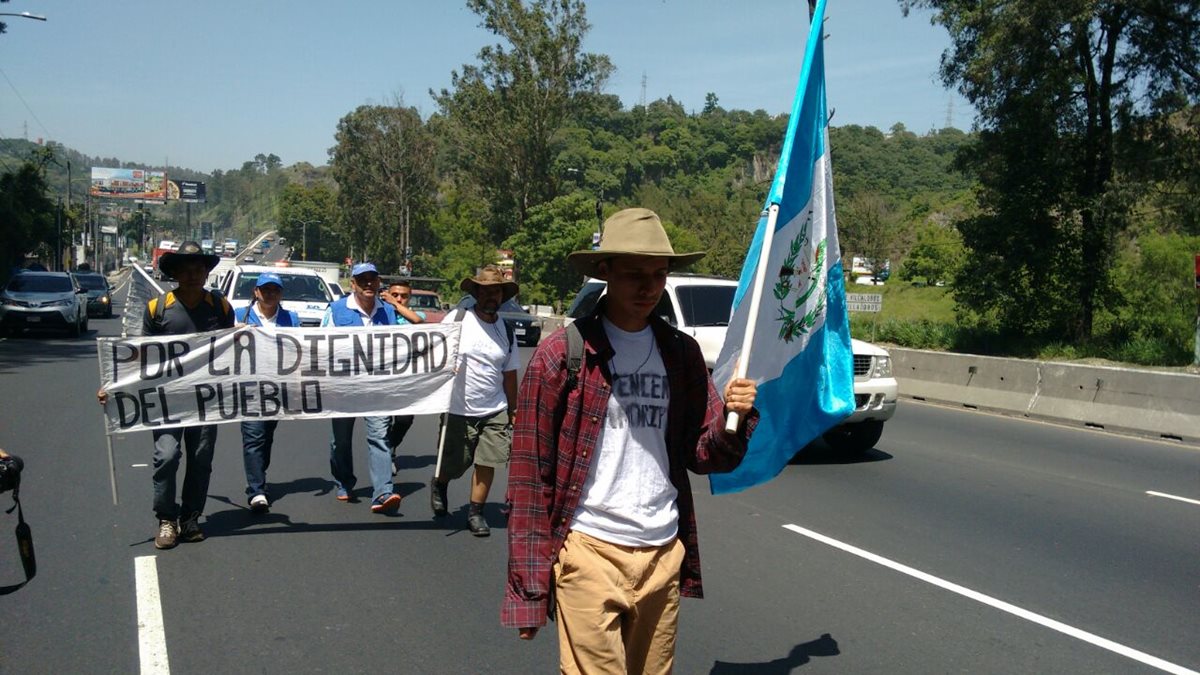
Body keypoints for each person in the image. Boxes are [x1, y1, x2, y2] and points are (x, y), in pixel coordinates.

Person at [502, 208, 759, 673]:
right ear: (605, 273)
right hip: (589, 549)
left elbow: (703, 455)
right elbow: (528, 475)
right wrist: (529, 590)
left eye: (658, 275)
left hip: (662, 551)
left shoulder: (681, 353)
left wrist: (735, 419)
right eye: (634, 275)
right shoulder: (563, 354)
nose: (648, 288)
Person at [96, 241, 234, 550]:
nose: (193, 275)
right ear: (174, 273)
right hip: (166, 400)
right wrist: (113, 387)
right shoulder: (157, 309)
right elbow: (140, 358)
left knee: (200, 459)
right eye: (185, 270)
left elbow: (234, 351)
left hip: (205, 400)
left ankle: (191, 518)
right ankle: (167, 519)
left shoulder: (220, 307)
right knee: (167, 456)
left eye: (198, 269)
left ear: (206, 272)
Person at [431, 266, 519, 536]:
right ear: (477, 293)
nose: (491, 296)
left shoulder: (506, 329)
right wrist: (446, 366)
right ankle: (440, 482)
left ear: (502, 295)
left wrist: (514, 409)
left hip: (495, 408)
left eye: (496, 291)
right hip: (458, 407)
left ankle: (475, 512)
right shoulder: (458, 319)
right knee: (455, 463)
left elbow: (510, 372)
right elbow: (435, 350)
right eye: (486, 291)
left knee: (488, 461)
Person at [321, 262, 401, 514]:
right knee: (340, 441)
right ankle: (343, 481)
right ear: (352, 284)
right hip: (343, 389)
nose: (368, 284)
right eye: (362, 279)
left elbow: (399, 346)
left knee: (380, 437)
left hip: (376, 388)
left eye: (372, 279)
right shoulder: (336, 310)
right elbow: (321, 348)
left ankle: (383, 491)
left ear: (378, 283)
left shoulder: (387, 312)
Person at [235, 272, 300, 513]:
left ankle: (258, 474)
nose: (270, 294)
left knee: (266, 436)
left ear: (280, 293)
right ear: (256, 292)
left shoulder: (291, 319)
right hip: (249, 387)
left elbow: (299, 351)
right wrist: (234, 332)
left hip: (277, 388)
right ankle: (256, 490)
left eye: (275, 290)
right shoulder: (239, 315)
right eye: (265, 289)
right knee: (253, 436)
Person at [382, 280, 425, 471]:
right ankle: (383, 456)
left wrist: (394, 304)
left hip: (407, 377)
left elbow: (418, 321)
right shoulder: (380, 314)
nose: (399, 298)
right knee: (382, 420)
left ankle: (390, 445)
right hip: (383, 376)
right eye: (395, 294)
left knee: (404, 419)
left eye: (404, 296)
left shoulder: (414, 315)